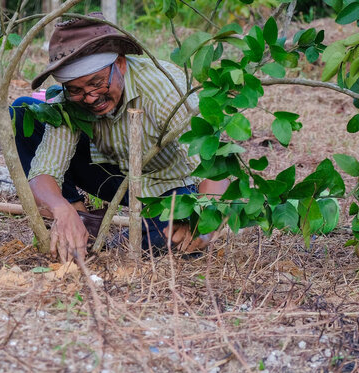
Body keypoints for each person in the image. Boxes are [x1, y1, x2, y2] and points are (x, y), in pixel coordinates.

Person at [12, 12, 228, 263]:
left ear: (121, 64)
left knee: (167, 237)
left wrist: (204, 221)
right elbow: (44, 171)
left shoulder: (164, 91)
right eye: (76, 90)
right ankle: (80, 221)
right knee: (24, 110)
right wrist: (61, 209)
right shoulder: (69, 100)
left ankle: (112, 245)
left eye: (97, 83)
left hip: (171, 184)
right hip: (116, 175)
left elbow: (214, 163)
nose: (91, 98)